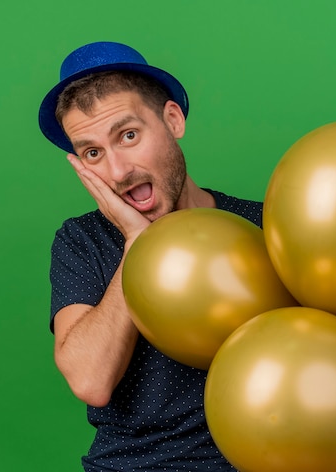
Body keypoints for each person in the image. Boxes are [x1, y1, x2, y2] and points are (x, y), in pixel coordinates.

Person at [38, 41, 262, 471]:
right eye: (93, 153)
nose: (118, 171)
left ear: (172, 120)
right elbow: (90, 380)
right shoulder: (82, 241)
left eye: (128, 135)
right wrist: (137, 243)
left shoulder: (263, 226)